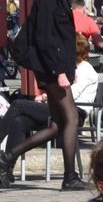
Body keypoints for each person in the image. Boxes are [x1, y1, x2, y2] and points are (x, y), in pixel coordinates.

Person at [0, 0, 85, 191]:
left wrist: (68, 68)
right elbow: (46, 39)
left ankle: (7, 157)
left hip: (58, 67)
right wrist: (60, 72)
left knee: (58, 125)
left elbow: (62, 38)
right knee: (71, 118)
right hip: (51, 69)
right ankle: (70, 176)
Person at [0, 35, 97, 169]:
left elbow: (73, 94)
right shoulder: (70, 68)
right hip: (58, 109)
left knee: (18, 105)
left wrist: (45, 97)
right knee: (20, 122)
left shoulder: (86, 70)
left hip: (75, 114)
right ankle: (6, 168)